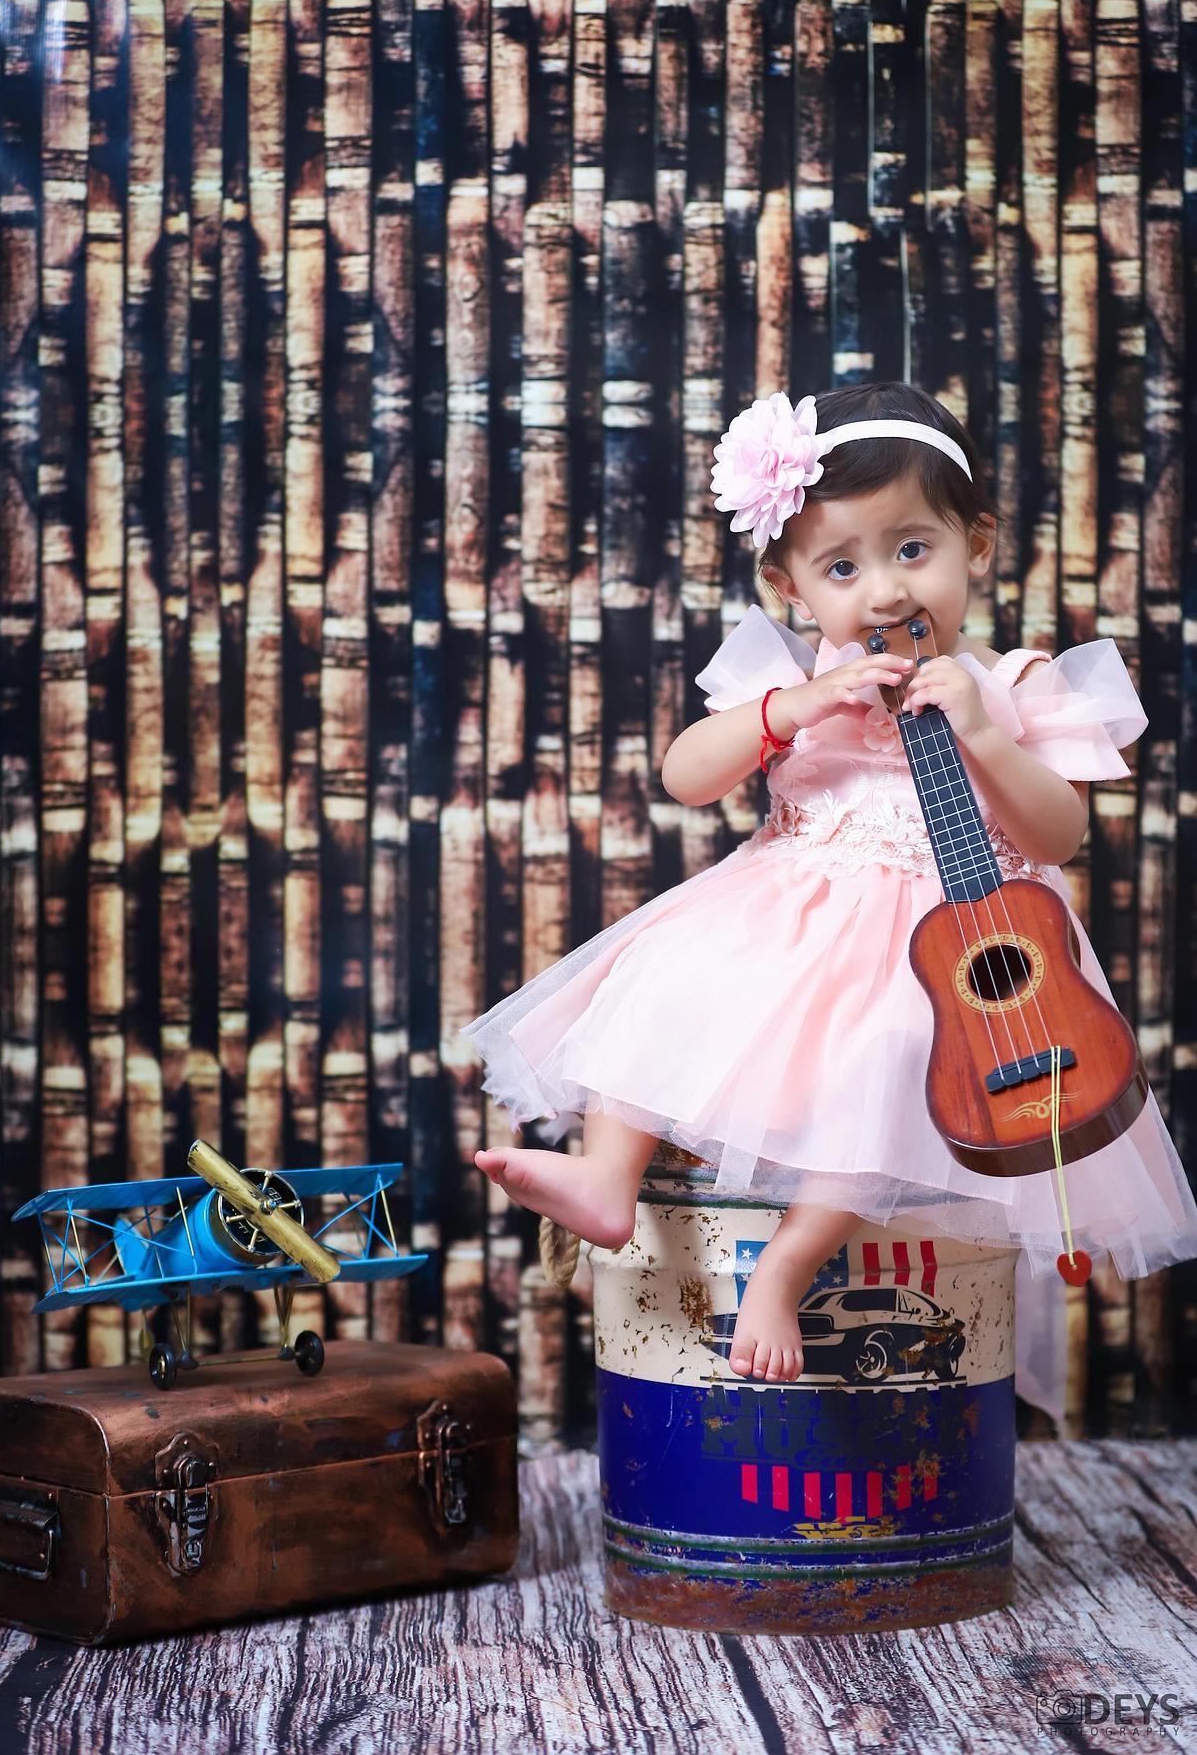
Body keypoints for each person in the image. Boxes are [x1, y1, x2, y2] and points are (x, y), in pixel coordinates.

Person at [458, 381, 1197, 1413]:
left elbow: (1058, 835)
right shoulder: (800, 678)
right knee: (661, 976)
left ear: (975, 544)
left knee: (892, 1071)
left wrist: (985, 734)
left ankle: (783, 1276)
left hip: (948, 946)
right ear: (792, 585)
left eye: (912, 550)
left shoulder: (1018, 682)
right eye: (842, 567)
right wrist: (790, 707)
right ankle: (604, 1181)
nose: (886, 591)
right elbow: (685, 774)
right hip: (785, 921)